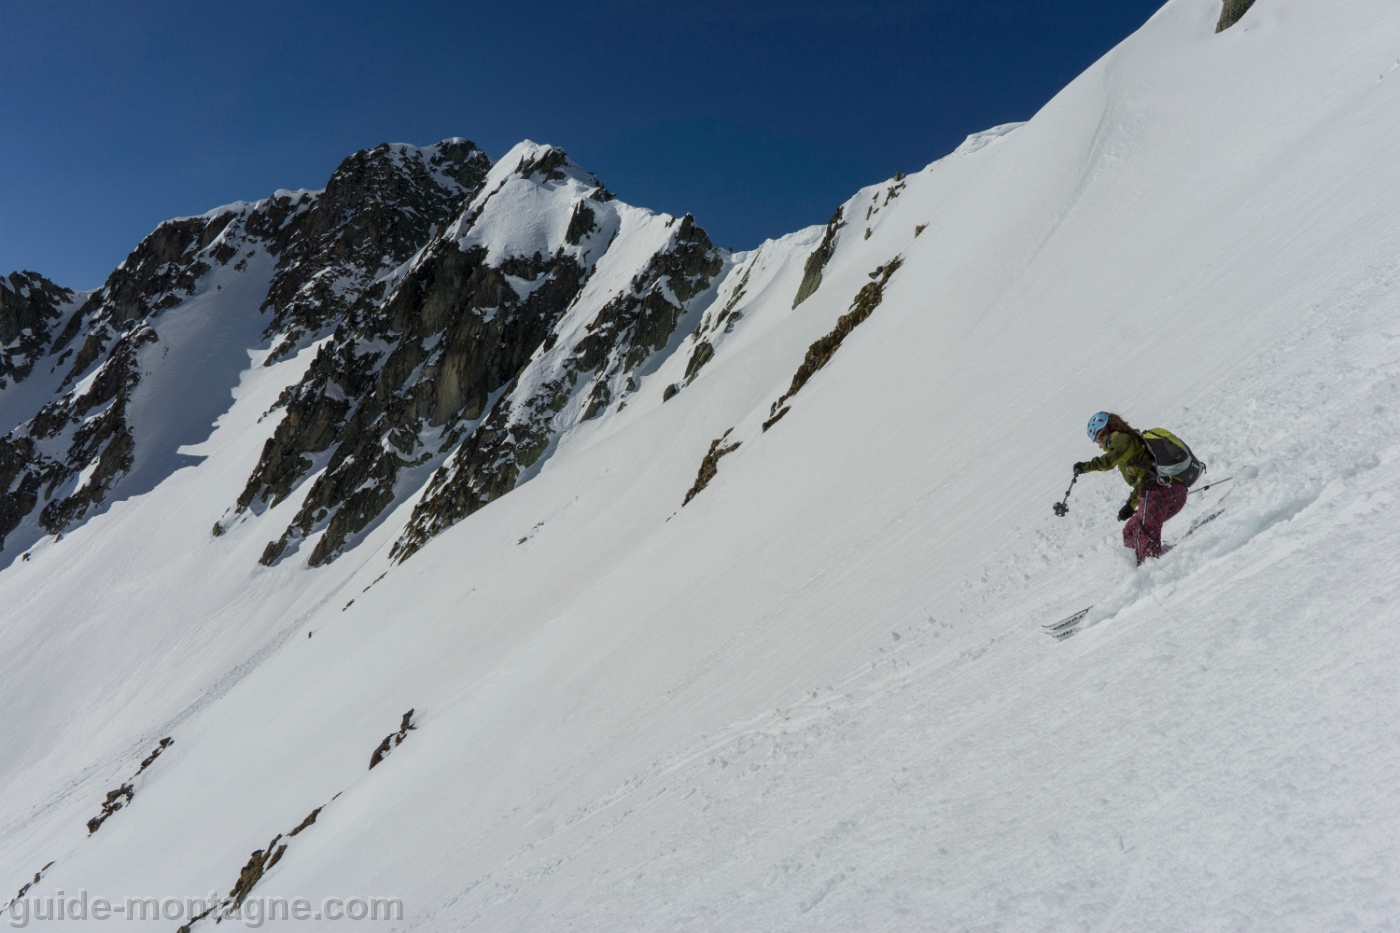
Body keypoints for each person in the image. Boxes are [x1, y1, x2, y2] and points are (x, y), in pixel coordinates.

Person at [1073, 412, 1187, 564]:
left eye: (1098, 440)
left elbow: (1109, 461)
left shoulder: (1123, 440)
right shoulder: (1129, 445)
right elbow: (1143, 479)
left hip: (1160, 491)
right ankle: (1138, 567)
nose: (1100, 446)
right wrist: (1130, 505)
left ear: (1105, 431)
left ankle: (1151, 569)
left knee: (1144, 531)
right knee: (1131, 531)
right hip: (1168, 493)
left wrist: (1085, 467)